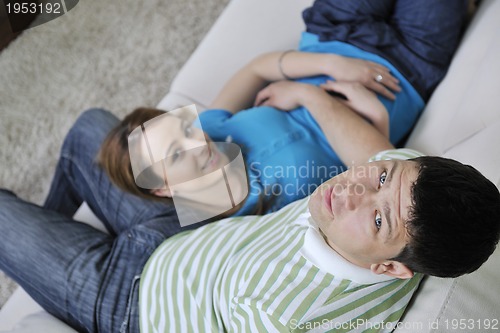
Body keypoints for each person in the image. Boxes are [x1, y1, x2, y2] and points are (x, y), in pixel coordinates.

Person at [1, 78, 499, 332]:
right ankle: (52, 226)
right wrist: (310, 93)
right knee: (92, 127)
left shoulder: (278, 315)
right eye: (381, 179)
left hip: (128, 301)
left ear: (390, 267)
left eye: (375, 216)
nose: (352, 189)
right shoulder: (413, 184)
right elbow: (381, 156)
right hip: (186, 232)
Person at [94, 0, 471, 222]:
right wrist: (361, 115)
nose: (198, 142)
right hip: (407, 67)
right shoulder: (251, 217)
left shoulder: (212, 130)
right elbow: (378, 169)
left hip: (336, 31)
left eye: (185, 131)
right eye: (177, 154)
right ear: (163, 189)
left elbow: (257, 69)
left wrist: (331, 64)